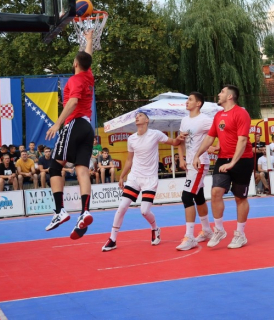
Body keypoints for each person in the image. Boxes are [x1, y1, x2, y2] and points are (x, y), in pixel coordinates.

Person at [102, 111, 183, 251]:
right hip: (134, 177)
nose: (137, 117)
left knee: (144, 211)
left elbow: (174, 142)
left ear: (147, 120)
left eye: (140, 115)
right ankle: (112, 239)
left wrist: (181, 137)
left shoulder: (155, 134)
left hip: (150, 179)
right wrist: (122, 176)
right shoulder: (131, 139)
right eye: (136, 116)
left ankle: (155, 229)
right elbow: (129, 160)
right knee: (122, 207)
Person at [45, 31, 95, 240]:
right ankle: (85, 211)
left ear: (75, 63)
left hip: (73, 124)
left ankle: (60, 211)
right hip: (87, 127)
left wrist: (58, 123)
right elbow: (87, 57)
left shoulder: (75, 80)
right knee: (82, 170)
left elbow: (73, 102)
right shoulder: (88, 76)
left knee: (55, 167)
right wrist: (89, 40)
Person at [192, 85, 254, 249]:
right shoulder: (218, 115)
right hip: (223, 159)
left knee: (240, 198)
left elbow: (242, 140)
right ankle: (219, 230)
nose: (219, 94)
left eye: (222, 92)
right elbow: (209, 138)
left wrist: (233, 162)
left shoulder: (241, 113)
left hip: (242, 160)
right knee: (215, 192)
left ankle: (240, 234)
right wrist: (197, 155)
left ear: (230, 97)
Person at [174, 92, 214, 251]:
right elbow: (180, 141)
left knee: (186, 196)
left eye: (190, 99)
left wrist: (214, 147)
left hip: (199, 163)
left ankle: (189, 237)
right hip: (189, 163)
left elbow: (215, 134)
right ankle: (207, 231)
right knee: (198, 196)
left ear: (198, 103)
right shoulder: (184, 120)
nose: (187, 102)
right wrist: (181, 159)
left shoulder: (205, 120)